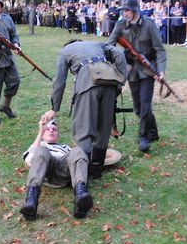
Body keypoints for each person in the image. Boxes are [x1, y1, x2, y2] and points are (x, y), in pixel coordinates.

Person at [42, 38, 126, 180]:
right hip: (110, 82)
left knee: (83, 129)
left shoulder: (65, 51)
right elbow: (119, 54)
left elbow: (59, 82)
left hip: (87, 83)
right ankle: (96, 169)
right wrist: (120, 81)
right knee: (103, 128)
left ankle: (82, 173)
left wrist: (54, 108)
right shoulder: (96, 44)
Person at [108, 0, 167, 152]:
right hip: (132, 70)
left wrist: (161, 70)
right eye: (123, 10)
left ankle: (143, 136)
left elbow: (160, 49)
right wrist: (119, 61)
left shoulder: (149, 25)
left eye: (126, 10)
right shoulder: (121, 25)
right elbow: (109, 45)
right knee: (138, 108)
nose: (124, 13)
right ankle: (153, 132)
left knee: (145, 103)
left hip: (148, 70)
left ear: (134, 10)